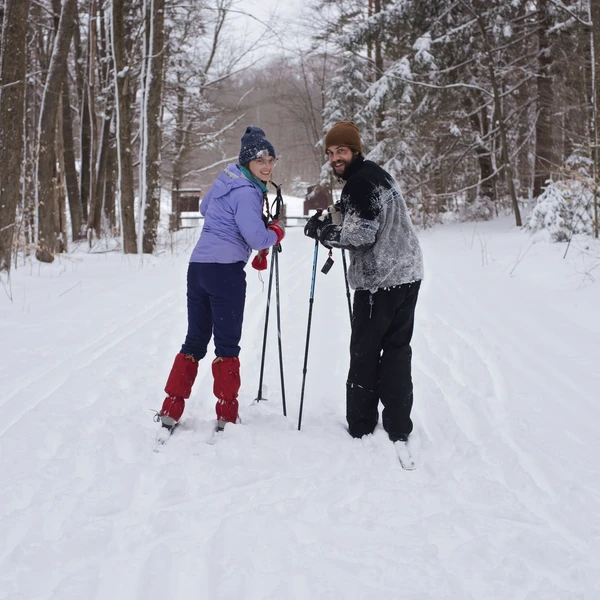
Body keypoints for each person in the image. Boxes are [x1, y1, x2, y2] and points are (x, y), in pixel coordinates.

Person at [156, 126, 285, 431]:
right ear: (247, 162)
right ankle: (227, 413)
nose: (267, 166)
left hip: (198, 268)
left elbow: (204, 207)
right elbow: (256, 237)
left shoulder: (227, 178)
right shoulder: (247, 191)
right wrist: (276, 231)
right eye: (260, 161)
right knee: (227, 344)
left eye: (271, 160)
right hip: (225, 273)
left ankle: (171, 408)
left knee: (195, 339)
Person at [304, 121, 423, 444]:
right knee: (397, 351)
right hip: (408, 273)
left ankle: (361, 423)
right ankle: (398, 425)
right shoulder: (376, 175)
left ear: (355, 150)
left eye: (341, 151)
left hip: (379, 282)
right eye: (330, 153)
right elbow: (364, 212)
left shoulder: (358, 183)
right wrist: (334, 213)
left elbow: (362, 234)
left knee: (365, 352)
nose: (335, 158)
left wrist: (323, 232)